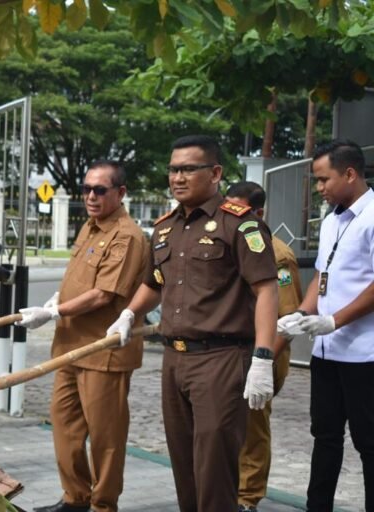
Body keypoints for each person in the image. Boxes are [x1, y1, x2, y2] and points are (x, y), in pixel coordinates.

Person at [106, 135, 279, 512]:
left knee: (214, 469)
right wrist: (129, 313)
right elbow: (154, 283)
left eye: (188, 169)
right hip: (174, 360)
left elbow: (267, 290)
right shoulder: (166, 227)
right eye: (173, 169)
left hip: (220, 359)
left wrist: (263, 357)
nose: (178, 177)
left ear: (215, 173)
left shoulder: (240, 224)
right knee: (184, 467)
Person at [16, 160, 149, 512]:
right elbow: (79, 282)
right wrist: (56, 301)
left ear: (120, 193)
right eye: (86, 189)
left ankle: (103, 505)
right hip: (71, 348)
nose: (91, 196)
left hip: (103, 352)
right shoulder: (90, 228)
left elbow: (104, 294)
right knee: (65, 427)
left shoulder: (128, 236)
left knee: (105, 437)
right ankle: (75, 498)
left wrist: (54, 312)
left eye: (100, 190)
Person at [277, 140, 374, 512]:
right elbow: (323, 273)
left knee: (368, 443)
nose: (319, 188)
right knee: (325, 437)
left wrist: (335, 320)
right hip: (326, 352)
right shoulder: (333, 219)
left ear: (349, 174)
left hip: (363, 354)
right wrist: (303, 312)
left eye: (323, 179)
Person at [225, 181, 303, 512]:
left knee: (252, 428)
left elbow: (287, 319)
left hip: (264, 353)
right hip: (229, 353)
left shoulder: (277, 254)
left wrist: (262, 361)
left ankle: (247, 498)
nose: (231, 218)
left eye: (239, 212)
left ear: (258, 214)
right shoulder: (226, 245)